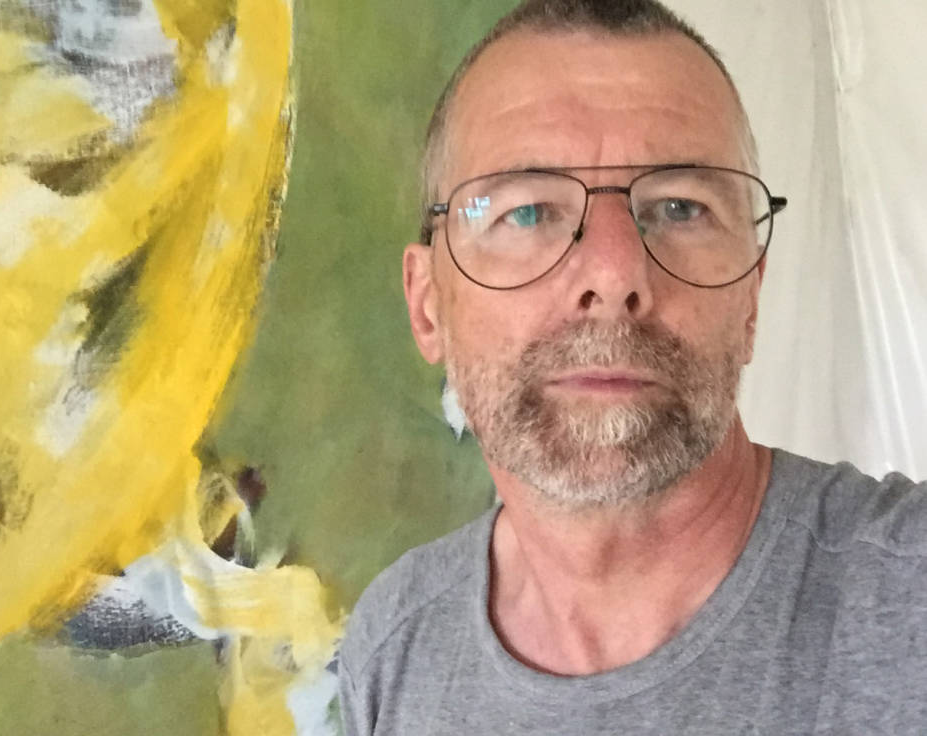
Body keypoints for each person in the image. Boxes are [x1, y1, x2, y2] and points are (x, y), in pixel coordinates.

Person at [338, 1, 927, 733]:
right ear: (428, 306)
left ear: (750, 297)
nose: (616, 274)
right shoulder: (396, 647)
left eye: (680, 208)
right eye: (528, 212)